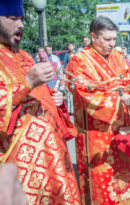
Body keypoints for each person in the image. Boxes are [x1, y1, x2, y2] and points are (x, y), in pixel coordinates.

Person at [0, 1, 81, 204]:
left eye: (22, 19)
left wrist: (57, 100)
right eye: (13, 19)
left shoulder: (24, 56)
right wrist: (28, 83)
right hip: (20, 161)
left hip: (53, 157)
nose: (21, 25)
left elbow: (39, 94)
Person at [66, 16, 130, 204]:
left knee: (129, 171)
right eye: (107, 39)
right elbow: (85, 93)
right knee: (103, 178)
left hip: (124, 126)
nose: (112, 44)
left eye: (114, 39)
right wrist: (118, 97)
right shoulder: (80, 61)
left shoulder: (118, 57)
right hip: (97, 133)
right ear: (93, 36)